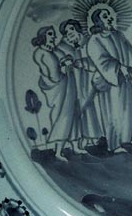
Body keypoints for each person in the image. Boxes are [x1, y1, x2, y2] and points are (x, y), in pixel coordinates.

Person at [86, 7, 132, 154]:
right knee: (115, 112)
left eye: (109, 15)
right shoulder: (94, 40)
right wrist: (119, 67)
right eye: (105, 16)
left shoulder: (118, 35)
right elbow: (101, 61)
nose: (110, 18)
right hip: (112, 81)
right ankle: (114, 145)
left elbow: (131, 54)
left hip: (128, 78)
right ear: (98, 21)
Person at [56, 19, 102, 151]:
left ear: (77, 29)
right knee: (76, 110)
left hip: (87, 82)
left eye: (71, 29)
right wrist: (66, 63)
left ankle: (90, 139)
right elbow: (60, 60)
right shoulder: (63, 46)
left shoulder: (87, 42)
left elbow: (95, 59)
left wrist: (84, 63)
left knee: (88, 108)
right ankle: (75, 143)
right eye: (66, 32)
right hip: (73, 84)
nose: (69, 33)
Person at [31, 26, 75, 158]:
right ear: (43, 37)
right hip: (56, 88)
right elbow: (49, 74)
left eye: (53, 34)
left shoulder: (52, 50)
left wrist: (66, 62)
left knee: (65, 115)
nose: (54, 37)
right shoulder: (41, 53)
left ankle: (64, 147)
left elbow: (64, 58)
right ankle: (58, 151)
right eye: (50, 34)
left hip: (64, 85)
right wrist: (61, 71)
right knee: (60, 116)